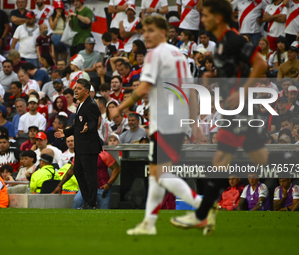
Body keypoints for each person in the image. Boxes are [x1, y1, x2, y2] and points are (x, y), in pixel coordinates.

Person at [171, 0, 270, 234]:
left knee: (220, 160)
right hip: (235, 109)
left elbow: (261, 63)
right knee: (261, 159)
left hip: (243, 109)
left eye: (205, 15)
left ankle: (203, 216)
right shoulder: (219, 46)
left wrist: (242, 93)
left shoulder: (234, 40)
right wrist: (212, 79)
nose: (202, 19)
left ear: (218, 17)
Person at [110, 15, 205, 235]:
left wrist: (120, 107)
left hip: (164, 122)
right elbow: (190, 91)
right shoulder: (180, 56)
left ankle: (203, 207)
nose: (146, 35)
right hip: (176, 121)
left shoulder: (155, 54)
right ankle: (149, 223)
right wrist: (195, 123)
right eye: (144, 31)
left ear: (164, 31)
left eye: (151, 30)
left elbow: (143, 88)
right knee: (156, 174)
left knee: (160, 174)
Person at [55, 79, 102, 209]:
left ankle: (92, 203)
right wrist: (66, 132)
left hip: (89, 146)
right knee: (78, 171)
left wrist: (89, 128)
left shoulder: (91, 105)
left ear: (87, 91)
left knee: (90, 174)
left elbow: (93, 122)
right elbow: (78, 126)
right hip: (81, 147)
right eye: (75, 88)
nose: (76, 90)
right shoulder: (81, 104)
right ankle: (88, 201)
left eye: (79, 88)